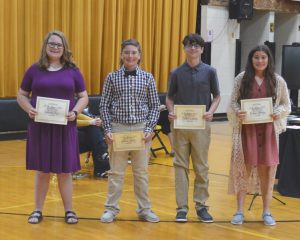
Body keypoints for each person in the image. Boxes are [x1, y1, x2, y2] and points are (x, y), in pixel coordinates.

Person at [17, 30, 88, 224]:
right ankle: (37, 210)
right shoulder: (34, 70)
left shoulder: (73, 70)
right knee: (42, 171)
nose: (55, 47)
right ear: (45, 46)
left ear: (64, 47)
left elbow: (83, 96)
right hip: (40, 127)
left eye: (59, 44)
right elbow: (21, 94)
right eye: (52, 44)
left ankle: (69, 211)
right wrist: (29, 108)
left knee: (65, 171)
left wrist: (75, 111)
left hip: (65, 127)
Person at [227, 45, 291, 226]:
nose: (260, 60)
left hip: (269, 132)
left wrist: (278, 112)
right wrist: (238, 111)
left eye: (263, 57)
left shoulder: (278, 81)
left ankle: (266, 211)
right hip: (247, 131)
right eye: (256, 57)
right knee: (243, 171)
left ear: (269, 59)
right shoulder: (241, 78)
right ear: (251, 59)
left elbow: (286, 104)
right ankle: (239, 211)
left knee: (267, 173)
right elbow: (232, 102)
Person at [99, 39, 160, 223]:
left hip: (141, 131)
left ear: (139, 56)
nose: (130, 56)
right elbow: (104, 106)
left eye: (134, 52)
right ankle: (111, 209)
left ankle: (144, 209)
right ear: (121, 55)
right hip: (118, 129)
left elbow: (155, 106)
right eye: (127, 52)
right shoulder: (112, 77)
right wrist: (108, 130)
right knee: (116, 173)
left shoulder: (148, 77)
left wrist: (149, 129)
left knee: (141, 173)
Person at [166, 33, 221, 223]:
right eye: (189, 45)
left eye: (196, 46)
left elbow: (217, 97)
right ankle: (181, 208)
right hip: (180, 126)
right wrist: (171, 112)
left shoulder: (210, 71)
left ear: (202, 49)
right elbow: (170, 97)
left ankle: (201, 206)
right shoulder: (176, 73)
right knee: (180, 166)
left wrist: (211, 112)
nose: (193, 49)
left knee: (201, 166)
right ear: (184, 48)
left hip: (201, 125)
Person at [77, 113, 110, 178]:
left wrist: (95, 121)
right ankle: (101, 168)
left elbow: (77, 114)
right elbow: (69, 121)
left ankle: (103, 153)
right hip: (62, 133)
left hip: (76, 131)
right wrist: (91, 122)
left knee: (93, 128)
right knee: (95, 135)